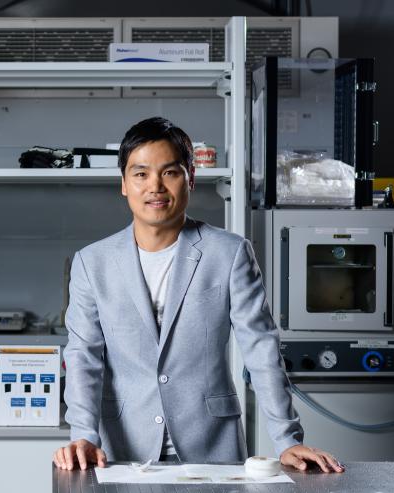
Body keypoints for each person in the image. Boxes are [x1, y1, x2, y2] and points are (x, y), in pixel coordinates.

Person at [53, 117, 344, 474]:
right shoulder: (92, 262)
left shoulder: (230, 253)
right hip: (123, 449)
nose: (155, 187)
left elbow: (261, 348)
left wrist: (288, 440)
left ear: (190, 178)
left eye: (170, 172)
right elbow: (84, 357)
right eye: (141, 174)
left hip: (213, 445)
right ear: (124, 184)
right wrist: (83, 434)